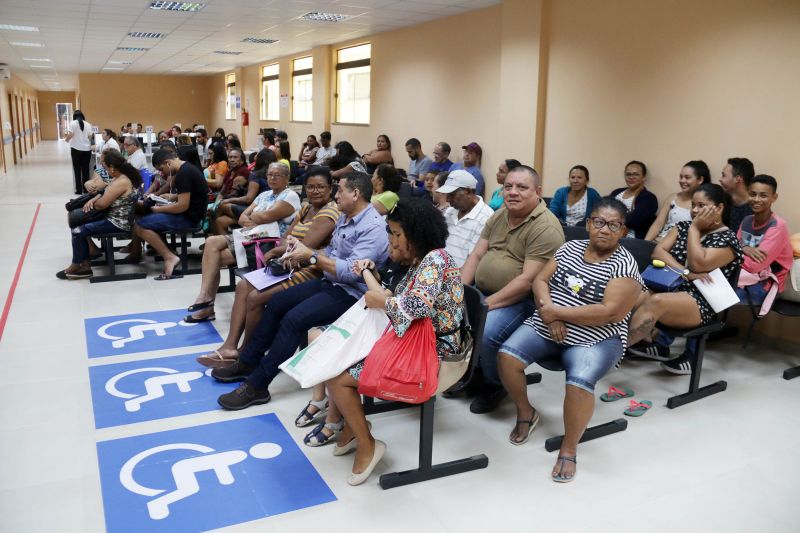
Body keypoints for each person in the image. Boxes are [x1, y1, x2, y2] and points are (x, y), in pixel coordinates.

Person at [211, 172, 389, 409]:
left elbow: (352, 272)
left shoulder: (372, 227)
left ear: (355, 194)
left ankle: (258, 385)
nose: (336, 196)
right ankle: (248, 361)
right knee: (277, 303)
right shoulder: (347, 217)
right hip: (332, 282)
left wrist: (312, 257)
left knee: (295, 319)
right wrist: (303, 252)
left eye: (340, 191)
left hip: (355, 295)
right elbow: (334, 256)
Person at [497, 198, 644, 482]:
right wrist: (550, 316)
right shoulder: (569, 248)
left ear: (623, 231)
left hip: (597, 337)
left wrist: (556, 313)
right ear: (589, 223)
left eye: (614, 225)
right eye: (599, 222)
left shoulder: (625, 266)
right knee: (507, 356)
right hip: (550, 324)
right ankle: (526, 412)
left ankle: (569, 447)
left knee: (578, 383)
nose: (604, 229)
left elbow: (609, 313)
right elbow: (540, 280)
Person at [325, 198, 462, 485]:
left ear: (415, 235)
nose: (392, 240)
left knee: (338, 378)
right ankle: (354, 424)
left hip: (434, 351)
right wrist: (369, 276)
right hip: (414, 338)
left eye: (396, 234)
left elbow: (415, 307)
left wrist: (383, 302)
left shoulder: (436, 260)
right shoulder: (422, 261)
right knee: (336, 359)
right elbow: (393, 298)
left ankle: (367, 442)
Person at [194, 168, 340, 363]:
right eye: (311, 187)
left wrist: (276, 251)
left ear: (330, 189)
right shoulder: (306, 208)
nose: (315, 191)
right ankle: (230, 346)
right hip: (287, 263)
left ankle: (247, 352)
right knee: (242, 286)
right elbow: (286, 238)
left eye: (321, 187)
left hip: (310, 269)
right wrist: (279, 250)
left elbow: (306, 247)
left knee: (255, 297)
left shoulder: (330, 212)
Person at [458, 165, 564, 413]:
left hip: (523, 301)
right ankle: (476, 372)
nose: (513, 192)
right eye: (508, 186)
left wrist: (483, 306)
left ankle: (497, 384)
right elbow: (477, 254)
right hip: (485, 292)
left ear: (537, 192)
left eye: (521, 187)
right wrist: (460, 293)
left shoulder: (545, 227)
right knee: (456, 315)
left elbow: (528, 281)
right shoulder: (499, 214)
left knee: (487, 332)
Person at [627, 183, 743, 374]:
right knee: (635, 294)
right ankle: (613, 342)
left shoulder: (728, 240)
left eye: (701, 205)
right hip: (671, 288)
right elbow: (658, 252)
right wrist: (686, 273)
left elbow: (699, 264)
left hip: (700, 303)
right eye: (693, 205)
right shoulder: (682, 226)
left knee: (656, 301)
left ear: (720, 208)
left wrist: (695, 230)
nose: (695, 210)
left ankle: (613, 353)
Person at [185, 162, 301, 322]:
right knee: (211, 242)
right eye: (269, 175)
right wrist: (258, 218)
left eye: (277, 175)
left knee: (214, 257)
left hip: (267, 245)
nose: (272, 178)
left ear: (286, 178)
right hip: (249, 237)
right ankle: (204, 296)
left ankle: (207, 306)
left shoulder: (290, 196)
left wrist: (257, 216)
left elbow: (265, 216)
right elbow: (241, 218)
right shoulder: (264, 195)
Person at [57, 150, 142, 279]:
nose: (105, 170)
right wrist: (95, 198)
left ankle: (78, 265)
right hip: (113, 217)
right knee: (77, 225)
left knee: (78, 231)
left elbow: (102, 204)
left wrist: (93, 203)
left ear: (112, 167)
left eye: (106, 167)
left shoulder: (122, 181)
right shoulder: (122, 176)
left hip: (117, 223)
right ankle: (84, 265)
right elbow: (105, 192)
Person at [131, 149, 209, 279]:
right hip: (191, 214)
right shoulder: (188, 168)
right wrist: (171, 197)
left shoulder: (184, 174)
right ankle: (169, 252)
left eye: (161, 169)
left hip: (188, 218)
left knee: (140, 225)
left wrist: (159, 209)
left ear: (168, 163)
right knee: (145, 219)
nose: (161, 173)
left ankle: (170, 257)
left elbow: (182, 206)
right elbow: (190, 195)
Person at [735, 175, 793, 305]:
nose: (756, 199)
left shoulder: (777, 226)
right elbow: (736, 245)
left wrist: (738, 250)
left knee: (719, 297)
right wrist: (744, 249)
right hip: (743, 277)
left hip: (766, 285)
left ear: (774, 197)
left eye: (763, 195)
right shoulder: (747, 220)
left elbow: (754, 266)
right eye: (753, 194)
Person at [436, 170, 494, 267]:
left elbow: (474, 260)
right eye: (447, 195)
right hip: (439, 269)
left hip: (459, 276)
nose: (448, 200)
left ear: (468, 191)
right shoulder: (450, 211)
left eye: (452, 195)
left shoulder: (486, 217)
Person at [645, 161, 710, 241]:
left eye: (687, 177)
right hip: (658, 241)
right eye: (681, 177)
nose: (682, 181)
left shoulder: (703, 205)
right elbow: (658, 223)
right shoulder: (672, 198)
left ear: (700, 179)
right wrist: (645, 243)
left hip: (678, 248)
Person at [609, 160, 658, 239]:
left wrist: (609, 217)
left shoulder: (649, 198)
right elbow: (603, 210)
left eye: (636, 174)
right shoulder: (616, 192)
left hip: (631, 239)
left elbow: (635, 221)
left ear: (644, 177)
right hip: (608, 233)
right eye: (628, 174)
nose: (631, 177)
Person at [719, 157, 756, 232]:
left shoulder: (755, 208)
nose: (720, 179)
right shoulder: (721, 203)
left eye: (723, 175)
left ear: (737, 179)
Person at [65, 110, 94, 194]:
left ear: (74, 116)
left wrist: (66, 140)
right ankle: (86, 189)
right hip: (87, 150)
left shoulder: (73, 123)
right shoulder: (88, 124)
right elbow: (90, 136)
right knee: (86, 170)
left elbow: (70, 134)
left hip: (76, 149)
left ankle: (78, 190)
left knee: (77, 170)